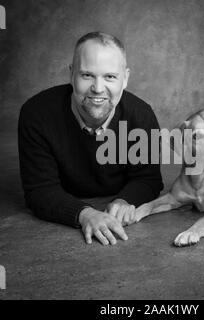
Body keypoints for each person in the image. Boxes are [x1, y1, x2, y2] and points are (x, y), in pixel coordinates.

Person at [18, 32, 163, 246]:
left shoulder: (141, 116)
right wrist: (85, 215)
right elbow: (39, 190)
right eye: (87, 75)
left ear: (125, 79)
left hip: (116, 200)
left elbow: (148, 179)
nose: (97, 88)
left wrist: (125, 200)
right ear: (71, 74)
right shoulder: (37, 114)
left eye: (110, 77)